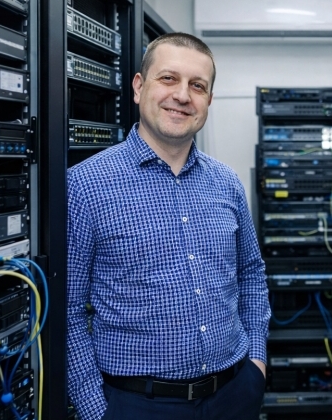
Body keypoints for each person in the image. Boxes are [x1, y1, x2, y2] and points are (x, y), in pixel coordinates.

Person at [67, 33, 270, 420]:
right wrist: (96, 410)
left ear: (208, 101)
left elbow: (251, 274)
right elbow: (67, 310)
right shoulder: (85, 185)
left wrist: (256, 363)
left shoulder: (226, 182)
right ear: (139, 87)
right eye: (168, 79)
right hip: (136, 404)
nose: (182, 95)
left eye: (198, 86)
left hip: (234, 393)